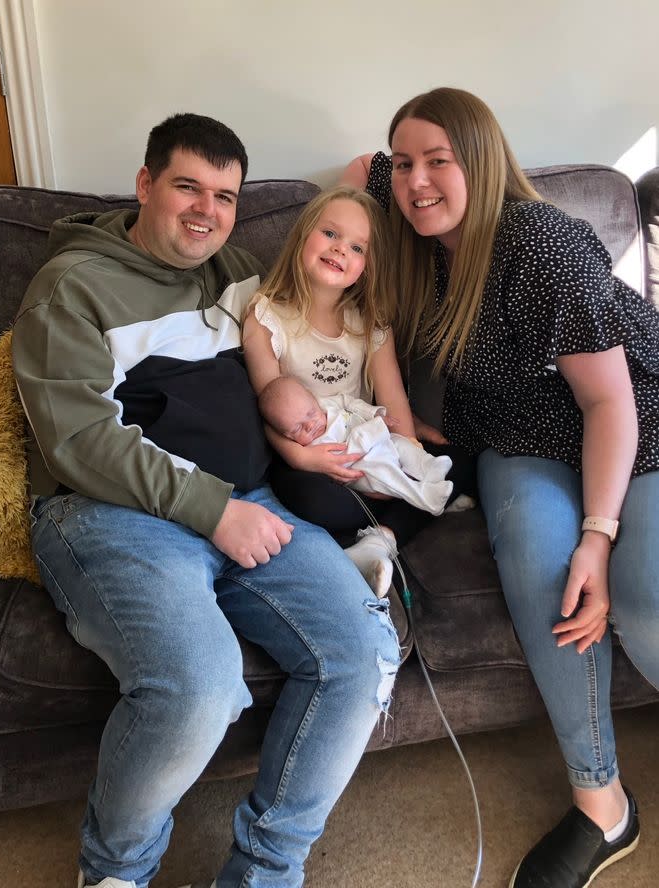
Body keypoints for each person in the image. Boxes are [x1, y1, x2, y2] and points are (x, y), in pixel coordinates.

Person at [11, 113, 401, 888]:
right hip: (113, 516)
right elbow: (79, 442)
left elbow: (329, 271)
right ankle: (114, 871)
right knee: (197, 689)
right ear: (146, 185)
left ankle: (265, 871)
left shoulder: (238, 272)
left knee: (363, 657)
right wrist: (212, 511)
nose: (206, 211)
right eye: (187, 187)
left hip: (253, 501)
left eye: (224, 195)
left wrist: (369, 182)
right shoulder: (72, 287)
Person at [341, 86, 659, 888]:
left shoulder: (541, 243)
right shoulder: (410, 211)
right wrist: (382, 181)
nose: (416, 182)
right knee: (535, 568)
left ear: (481, 163)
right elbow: (360, 170)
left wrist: (599, 533)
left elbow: (606, 401)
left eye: (439, 162)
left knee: (642, 588)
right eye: (405, 163)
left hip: (631, 423)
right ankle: (602, 805)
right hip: (517, 435)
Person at [242, 186, 476, 595]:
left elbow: (393, 401)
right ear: (303, 234)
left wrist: (410, 456)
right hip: (312, 455)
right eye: (330, 234)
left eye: (357, 247)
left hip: (372, 443)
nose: (340, 251)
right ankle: (414, 506)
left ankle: (380, 539)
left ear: (367, 265)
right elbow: (269, 410)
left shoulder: (368, 321)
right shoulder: (266, 317)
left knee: (465, 461)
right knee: (304, 496)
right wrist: (307, 459)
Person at [258, 374, 455, 519]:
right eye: (297, 428)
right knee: (389, 475)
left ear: (312, 398)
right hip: (363, 469)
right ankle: (427, 498)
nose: (311, 425)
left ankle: (430, 468)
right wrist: (374, 430)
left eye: (310, 414)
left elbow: (349, 402)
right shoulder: (316, 446)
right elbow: (348, 456)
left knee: (402, 444)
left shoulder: (326, 405)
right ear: (286, 436)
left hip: (379, 441)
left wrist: (374, 414)